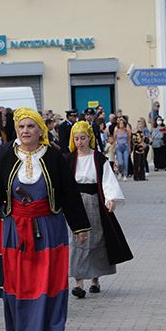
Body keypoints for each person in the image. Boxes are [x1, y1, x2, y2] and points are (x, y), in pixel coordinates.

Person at [0, 108, 90, 331]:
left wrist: (79, 226)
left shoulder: (54, 157)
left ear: (40, 130)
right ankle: (25, 328)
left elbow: (69, 192)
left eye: (30, 126)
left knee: (46, 280)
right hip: (15, 229)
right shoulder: (7, 154)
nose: (25, 131)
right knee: (20, 280)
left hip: (49, 227)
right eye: (21, 127)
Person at [66, 122, 133, 298]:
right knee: (76, 241)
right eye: (76, 139)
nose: (79, 142)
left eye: (83, 138)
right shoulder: (69, 159)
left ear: (90, 138)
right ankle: (79, 283)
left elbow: (107, 180)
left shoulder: (98, 158)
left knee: (95, 240)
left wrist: (110, 198)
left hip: (95, 202)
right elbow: (64, 183)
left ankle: (94, 280)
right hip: (75, 204)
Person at [114, 116, 132, 180]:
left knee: (126, 162)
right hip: (118, 146)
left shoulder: (126, 131)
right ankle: (120, 171)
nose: (121, 125)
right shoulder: (116, 131)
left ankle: (125, 175)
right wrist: (114, 148)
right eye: (120, 123)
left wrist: (129, 147)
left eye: (122, 123)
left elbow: (128, 139)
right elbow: (114, 140)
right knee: (120, 162)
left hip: (125, 146)